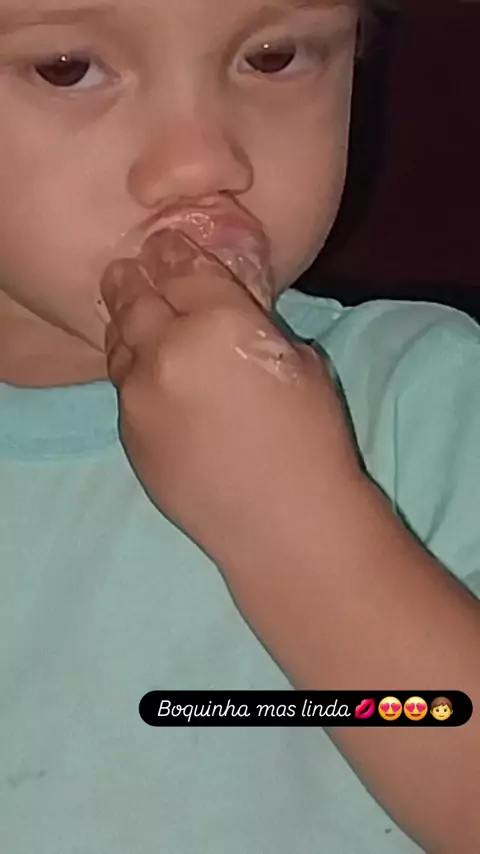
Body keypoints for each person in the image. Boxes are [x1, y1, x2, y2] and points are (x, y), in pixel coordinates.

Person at [0, 0, 479, 852]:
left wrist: (293, 526)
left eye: (274, 55)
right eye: (64, 69)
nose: (203, 162)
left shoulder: (425, 401)